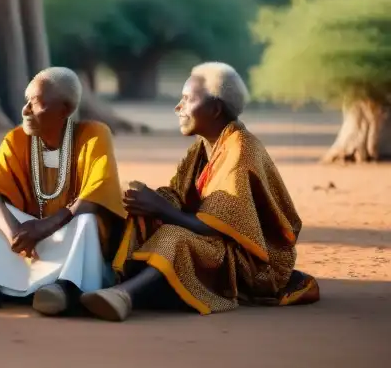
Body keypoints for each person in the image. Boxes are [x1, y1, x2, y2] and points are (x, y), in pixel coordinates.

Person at [82, 62, 321, 322]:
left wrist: (160, 207)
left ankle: (123, 296)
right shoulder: (204, 146)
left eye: (187, 99)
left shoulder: (241, 149)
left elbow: (219, 227)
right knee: (133, 211)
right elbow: (180, 196)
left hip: (247, 262)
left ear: (215, 109)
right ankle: (96, 281)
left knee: (174, 237)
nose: (178, 108)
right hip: (209, 242)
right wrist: (149, 199)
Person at [0, 67, 127, 316]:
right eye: (26, 101)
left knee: (87, 220)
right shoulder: (17, 139)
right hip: (28, 241)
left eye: (37, 104)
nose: (25, 110)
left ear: (66, 110)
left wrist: (45, 226)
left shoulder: (94, 134)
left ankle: (65, 289)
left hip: (65, 236)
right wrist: (13, 232)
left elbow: (97, 194)